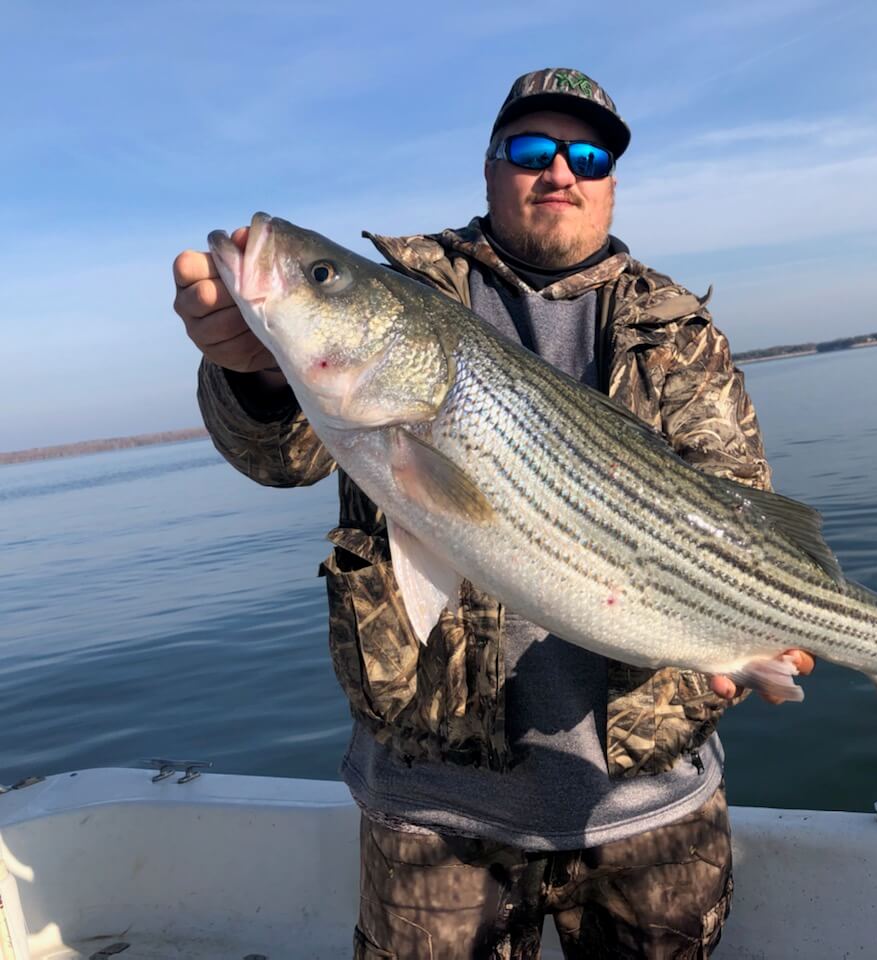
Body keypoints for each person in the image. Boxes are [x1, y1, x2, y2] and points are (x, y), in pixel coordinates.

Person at [173, 67, 813, 960]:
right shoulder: (412, 293)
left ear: (611, 183)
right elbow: (280, 460)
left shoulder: (678, 331)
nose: (560, 172)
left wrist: (750, 629)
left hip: (651, 806)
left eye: (587, 154)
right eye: (530, 149)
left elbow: (740, 507)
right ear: (488, 168)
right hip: (435, 811)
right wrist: (255, 374)